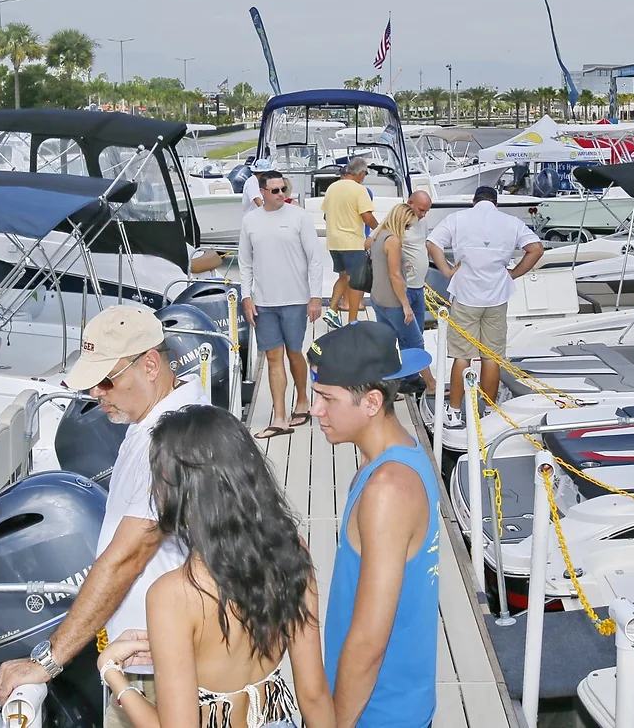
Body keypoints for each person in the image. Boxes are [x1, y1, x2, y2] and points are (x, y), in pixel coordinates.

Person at [0, 305, 206, 723]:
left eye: (106, 380)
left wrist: (48, 661)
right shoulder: (156, 423)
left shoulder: (170, 442)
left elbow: (127, 558)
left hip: (159, 673)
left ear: (149, 365)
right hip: (145, 659)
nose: (95, 393)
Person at [96, 405, 334, 728]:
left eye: (158, 479)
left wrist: (112, 672)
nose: (154, 491)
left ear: (185, 493)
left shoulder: (174, 596)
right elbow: (315, 695)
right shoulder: (292, 554)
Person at [308, 322, 438, 728]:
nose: (316, 410)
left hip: (378, 714)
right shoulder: (397, 457)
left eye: (328, 398)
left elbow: (368, 641)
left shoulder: (388, 489)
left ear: (372, 402)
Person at [426, 185, 544, 429]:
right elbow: (536, 249)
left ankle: (455, 411)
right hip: (497, 296)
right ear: (496, 203)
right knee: (491, 357)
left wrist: (447, 269)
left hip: (466, 295)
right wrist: (513, 273)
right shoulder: (511, 222)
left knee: (462, 357)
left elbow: (432, 243)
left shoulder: (457, 218)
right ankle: (489, 410)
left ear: (474, 201)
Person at [239, 168, 325, 439]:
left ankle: (302, 399)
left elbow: (315, 258)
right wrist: (246, 296)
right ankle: (279, 416)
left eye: (283, 190)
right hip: (263, 302)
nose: (280, 195)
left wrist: (315, 296)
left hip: (296, 300)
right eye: (274, 191)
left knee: (294, 352)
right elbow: (245, 262)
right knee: (273, 356)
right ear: (262, 192)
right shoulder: (250, 220)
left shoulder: (299, 217)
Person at [365, 204, 435, 392]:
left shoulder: (379, 236)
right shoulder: (393, 240)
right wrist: (406, 305)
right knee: (415, 342)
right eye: (407, 226)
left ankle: (388, 384)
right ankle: (431, 384)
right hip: (393, 301)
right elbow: (394, 276)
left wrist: (402, 265)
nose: (408, 230)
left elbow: (381, 262)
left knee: (387, 342)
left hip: (378, 298)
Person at [321, 157, 376, 328]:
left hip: (334, 242)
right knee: (356, 281)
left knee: (343, 277)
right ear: (360, 173)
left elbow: (325, 215)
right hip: (352, 242)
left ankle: (331, 310)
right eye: (365, 173)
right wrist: (381, 229)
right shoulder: (360, 190)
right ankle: (353, 321)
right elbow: (367, 217)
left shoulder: (332, 188)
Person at [402, 191, 434, 375]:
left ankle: (411, 375)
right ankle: (415, 379)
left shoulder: (423, 221)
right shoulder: (397, 222)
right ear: (410, 203)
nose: (423, 214)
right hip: (404, 288)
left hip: (419, 287)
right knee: (410, 338)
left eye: (426, 211)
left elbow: (423, 244)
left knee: (418, 334)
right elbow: (372, 242)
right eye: (421, 210)